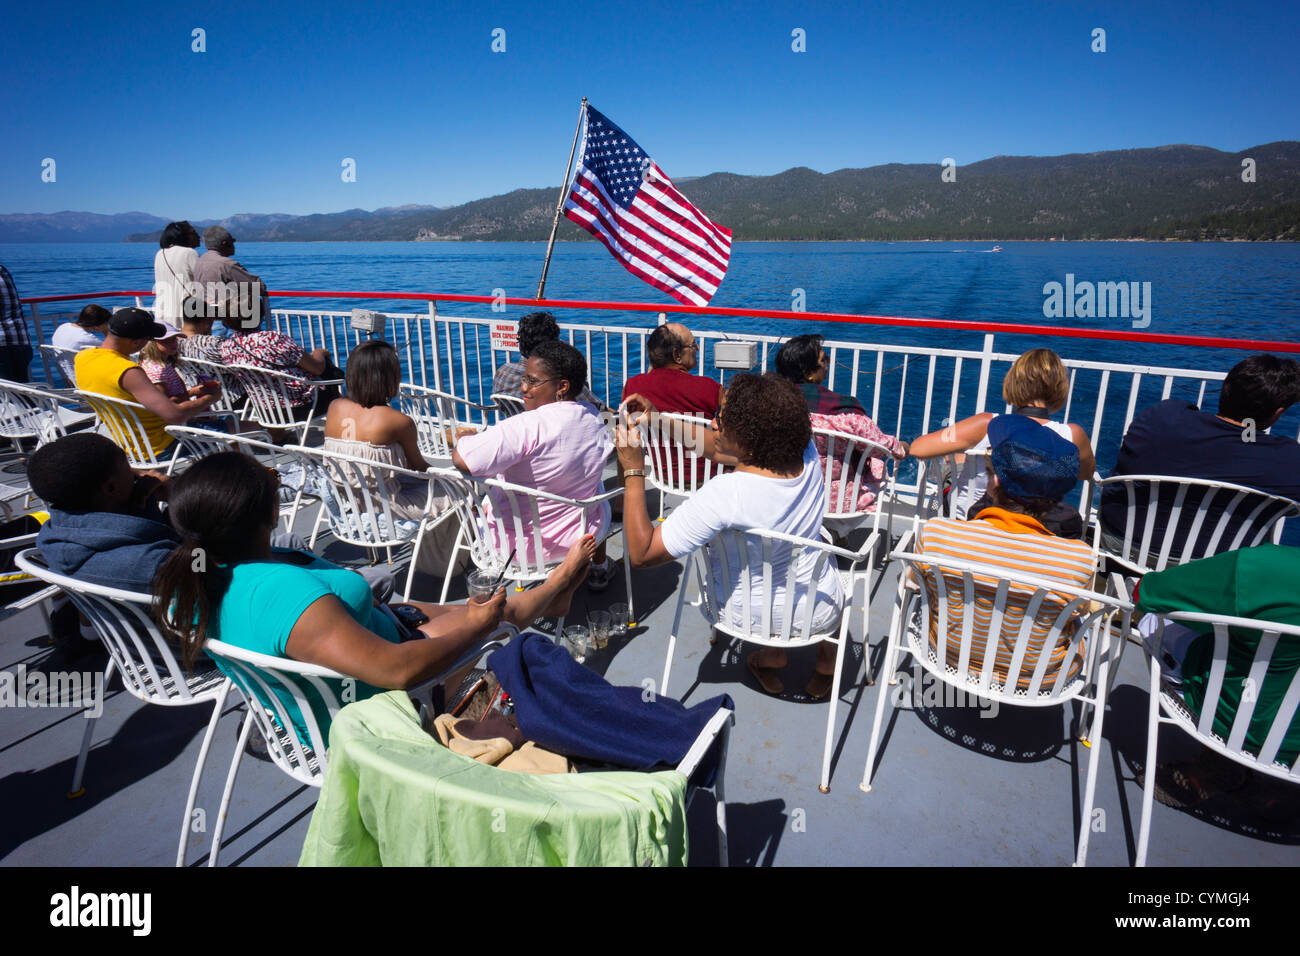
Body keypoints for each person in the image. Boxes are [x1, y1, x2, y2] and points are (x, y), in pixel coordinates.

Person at [152, 452, 598, 743]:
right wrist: (478, 629)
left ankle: (550, 592)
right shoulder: (283, 596)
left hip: (360, 644)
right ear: (267, 511)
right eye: (271, 478)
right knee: (494, 617)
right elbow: (396, 671)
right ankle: (556, 587)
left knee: (470, 609)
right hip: (375, 706)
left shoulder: (192, 580)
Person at [616, 372, 842, 699]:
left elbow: (642, 552)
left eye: (722, 420)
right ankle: (824, 660)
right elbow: (717, 448)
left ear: (749, 437)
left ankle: (770, 653)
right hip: (820, 608)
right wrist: (658, 421)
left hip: (747, 614)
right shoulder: (803, 450)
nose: (713, 424)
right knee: (818, 558)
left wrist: (633, 470)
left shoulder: (727, 494)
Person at [914, 415, 1096, 691]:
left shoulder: (938, 535)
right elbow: (1079, 611)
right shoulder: (1079, 561)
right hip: (1037, 677)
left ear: (995, 480)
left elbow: (918, 583)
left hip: (947, 654)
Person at [453, 339, 615, 585]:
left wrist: (464, 437)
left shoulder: (524, 427)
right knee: (597, 488)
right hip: (581, 539)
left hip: (517, 548)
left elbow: (463, 460)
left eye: (532, 381)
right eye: (525, 379)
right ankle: (599, 568)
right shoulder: (594, 417)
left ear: (562, 386)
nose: (523, 387)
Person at [1099, 353, 1300, 549]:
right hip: (1217, 566)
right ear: (1278, 412)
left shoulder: (1161, 417)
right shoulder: (1288, 460)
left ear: (1226, 388)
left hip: (1122, 542)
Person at [1134, 544, 1300, 768]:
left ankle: (1215, 767)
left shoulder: (1268, 567)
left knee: (1153, 621)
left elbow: (1147, 593)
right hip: (1294, 748)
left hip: (1235, 717)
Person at [910, 347, 1095, 535]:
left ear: (1014, 383)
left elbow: (918, 448)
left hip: (969, 519)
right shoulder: (1073, 435)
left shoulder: (987, 424)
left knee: (957, 457)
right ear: (1059, 388)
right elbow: (1084, 474)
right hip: (1036, 529)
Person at [323, 339, 464, 569]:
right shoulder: (397, 421)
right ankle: (452, 564)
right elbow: (419, 468)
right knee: (462, 487)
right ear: (387, 378)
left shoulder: (335, 407)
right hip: (389, 508)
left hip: (352, 501)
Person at [774, 333, 907, 514]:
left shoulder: (771, 406)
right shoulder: (844, 413)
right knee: (876, 465)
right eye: (823, 360)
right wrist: (901, 448)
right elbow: (880, 447)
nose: (827, 364)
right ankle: (838, 535)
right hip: (835, 501)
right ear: (807, 373)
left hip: (785, 493)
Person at [74, 307, 220, 460]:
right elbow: (175, 415)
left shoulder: (82, 357)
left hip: (130, 446)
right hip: (166, 445)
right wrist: (211, 398)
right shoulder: (128, 371)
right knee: (242, 430)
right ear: (136, 343)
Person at [217, 294, 339, 419]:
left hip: (264, 409)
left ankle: (277, 436)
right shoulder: (274, 339)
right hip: (301, 407)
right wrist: (320, 352)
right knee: (328, 369)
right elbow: (317, 368)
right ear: (260, 316)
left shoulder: (226, 348)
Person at [491, 311, 605, 409]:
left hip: (518, 431)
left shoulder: (503, 372)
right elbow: (597, 408)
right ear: (551, 345)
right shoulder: (558, 384)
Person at [620, 322, 723, 418]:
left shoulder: (632, 386)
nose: (698, 348)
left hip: (645, 438)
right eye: (693, 345)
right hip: (697, 438)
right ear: (677, 355)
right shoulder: (710, 389)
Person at [192, 225, 269, 338]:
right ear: (224, 243)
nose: (234, 245)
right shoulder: (226, 264)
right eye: (232, 241)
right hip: (226, 322)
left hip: (206, 319)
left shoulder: (200, 261)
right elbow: (259, 287)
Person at [140, 322, 211, 402]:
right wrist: (193, 392)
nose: (173, 343)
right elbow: (165, 402)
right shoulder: (157, 370)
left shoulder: (164, 364)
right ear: (153, 343)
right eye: (166, 340)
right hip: (173, 412)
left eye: (174, 339)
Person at [152, 221, 201, 326]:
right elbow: (203, 280)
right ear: (183, 236)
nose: (198, 235)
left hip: (164, 312)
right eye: (193, 233)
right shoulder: (189, 253)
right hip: (186, 312)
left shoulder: (160, 254)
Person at [50, 304, 110, 386]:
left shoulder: (63, 327)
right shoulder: (86, 339)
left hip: (68, 379)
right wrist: (106, 331)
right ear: (97, 326)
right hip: (85, 383)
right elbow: (113, 351)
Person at [0, 264, 32, 383]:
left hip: (3, 346)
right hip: (20, 341)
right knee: (20, 392)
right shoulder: (3, 270)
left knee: (8, 394)